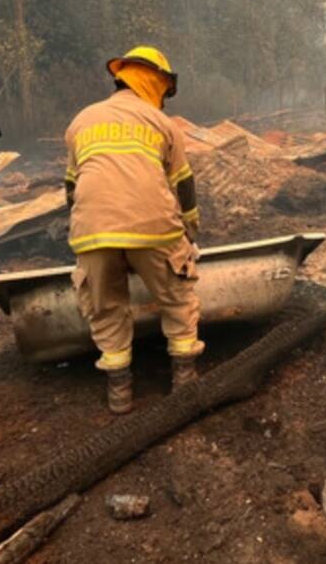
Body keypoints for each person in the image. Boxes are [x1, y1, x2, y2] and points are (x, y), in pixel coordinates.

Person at [63, 45, 202, 414]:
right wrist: (190, 227)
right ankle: (185, 381)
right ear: (157, 82)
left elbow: (71, 188)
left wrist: (90, 232)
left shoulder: (81, 120)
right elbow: (184, 183)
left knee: (105, 307)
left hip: (92, 230)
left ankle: (120, 390)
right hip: (154, 226)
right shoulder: (163, 124)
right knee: (178, 296)